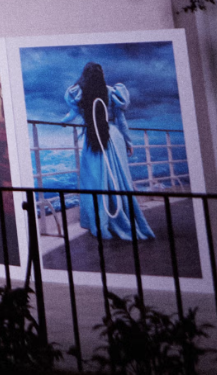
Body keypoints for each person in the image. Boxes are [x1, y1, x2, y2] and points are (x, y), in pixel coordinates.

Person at [66, 62, 155, 241]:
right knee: (118, 177)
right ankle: (121, 214)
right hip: (113, 137)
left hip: (93, 140)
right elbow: (121, 120)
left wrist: (63, 121)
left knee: (95, 180)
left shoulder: (80, 94)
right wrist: (128, 141)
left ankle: (100, 219)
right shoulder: (112, 92)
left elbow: (71, 114)